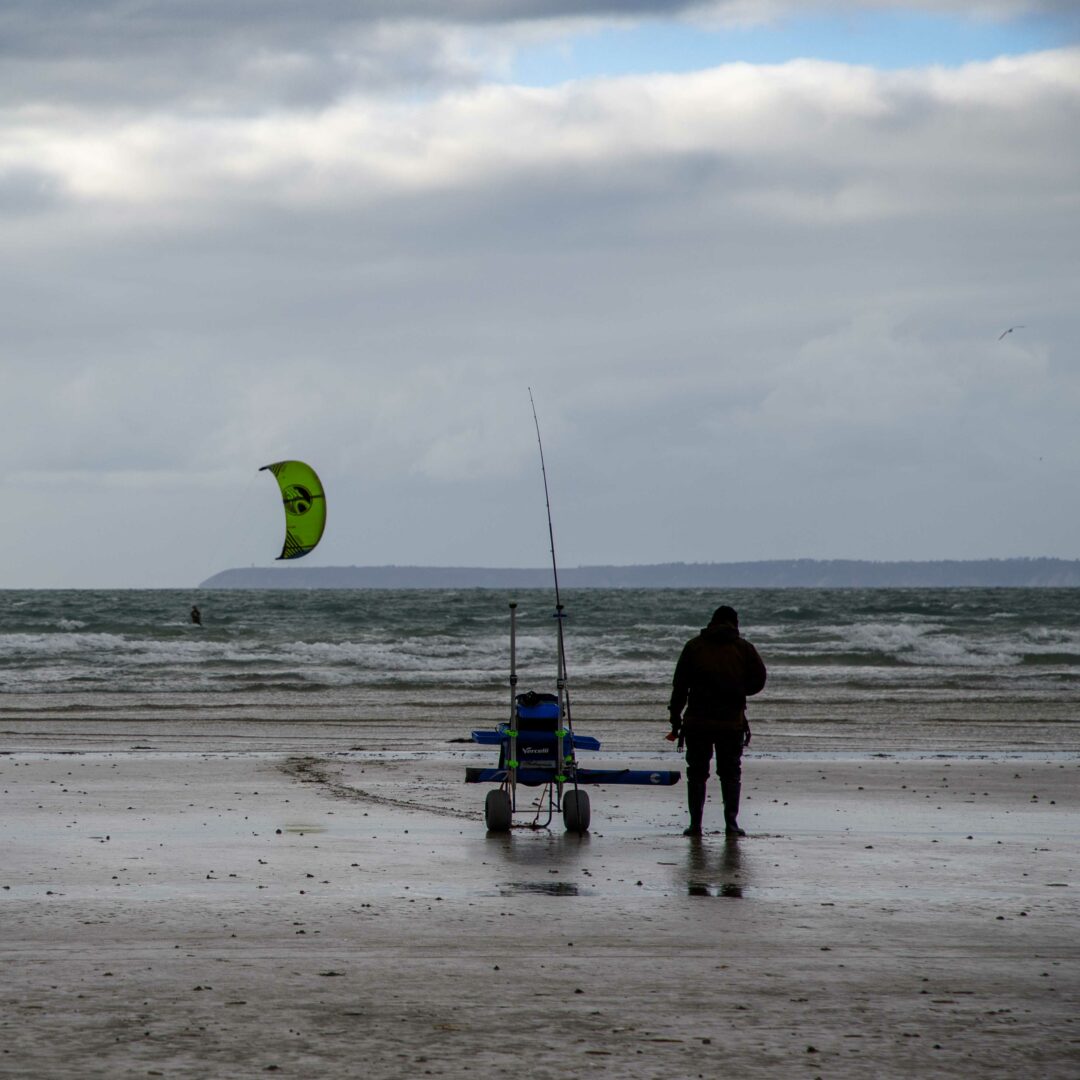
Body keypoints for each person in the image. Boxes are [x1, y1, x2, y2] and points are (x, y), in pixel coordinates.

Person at [668, 605, 766, 837]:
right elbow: (760, 680)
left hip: (697, 722)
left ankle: (695, 825)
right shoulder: (743, 648)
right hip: (731, 723)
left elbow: (680, 686)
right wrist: (739, 689)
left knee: (696, 773)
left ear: (712, 622)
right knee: (730, 773)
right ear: (735, 623)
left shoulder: (694, 647)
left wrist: (675, 719)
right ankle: (731, 824)